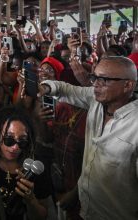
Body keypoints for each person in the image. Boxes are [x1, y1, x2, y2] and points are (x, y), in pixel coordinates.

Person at [38, 56, 138, 220]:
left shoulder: (135, 125)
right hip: (86, 210)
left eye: (104, 80)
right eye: (95, 77)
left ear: (128, 85)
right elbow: (65, 89)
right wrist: (46, 88)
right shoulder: (96, 100)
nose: (96, 84)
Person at [0, 106, 52, 220]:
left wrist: (31, 200)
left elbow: (42, 216)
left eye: (22, 141)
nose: (15, 147)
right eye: (9, 139)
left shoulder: (36, 168)